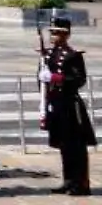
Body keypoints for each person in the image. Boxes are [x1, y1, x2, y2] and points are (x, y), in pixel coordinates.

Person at [43, 15, 94, 196]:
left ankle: (81, 184)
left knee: (76, 147)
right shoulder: (49, 54)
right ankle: (69, 180)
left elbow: (79, 79)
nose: (53, 35)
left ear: (66, 35)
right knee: (64, 145)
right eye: (52, 32)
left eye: (56, 33)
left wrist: (57, 78)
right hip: (56, 103)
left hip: (70, 105)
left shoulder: (73, 56)